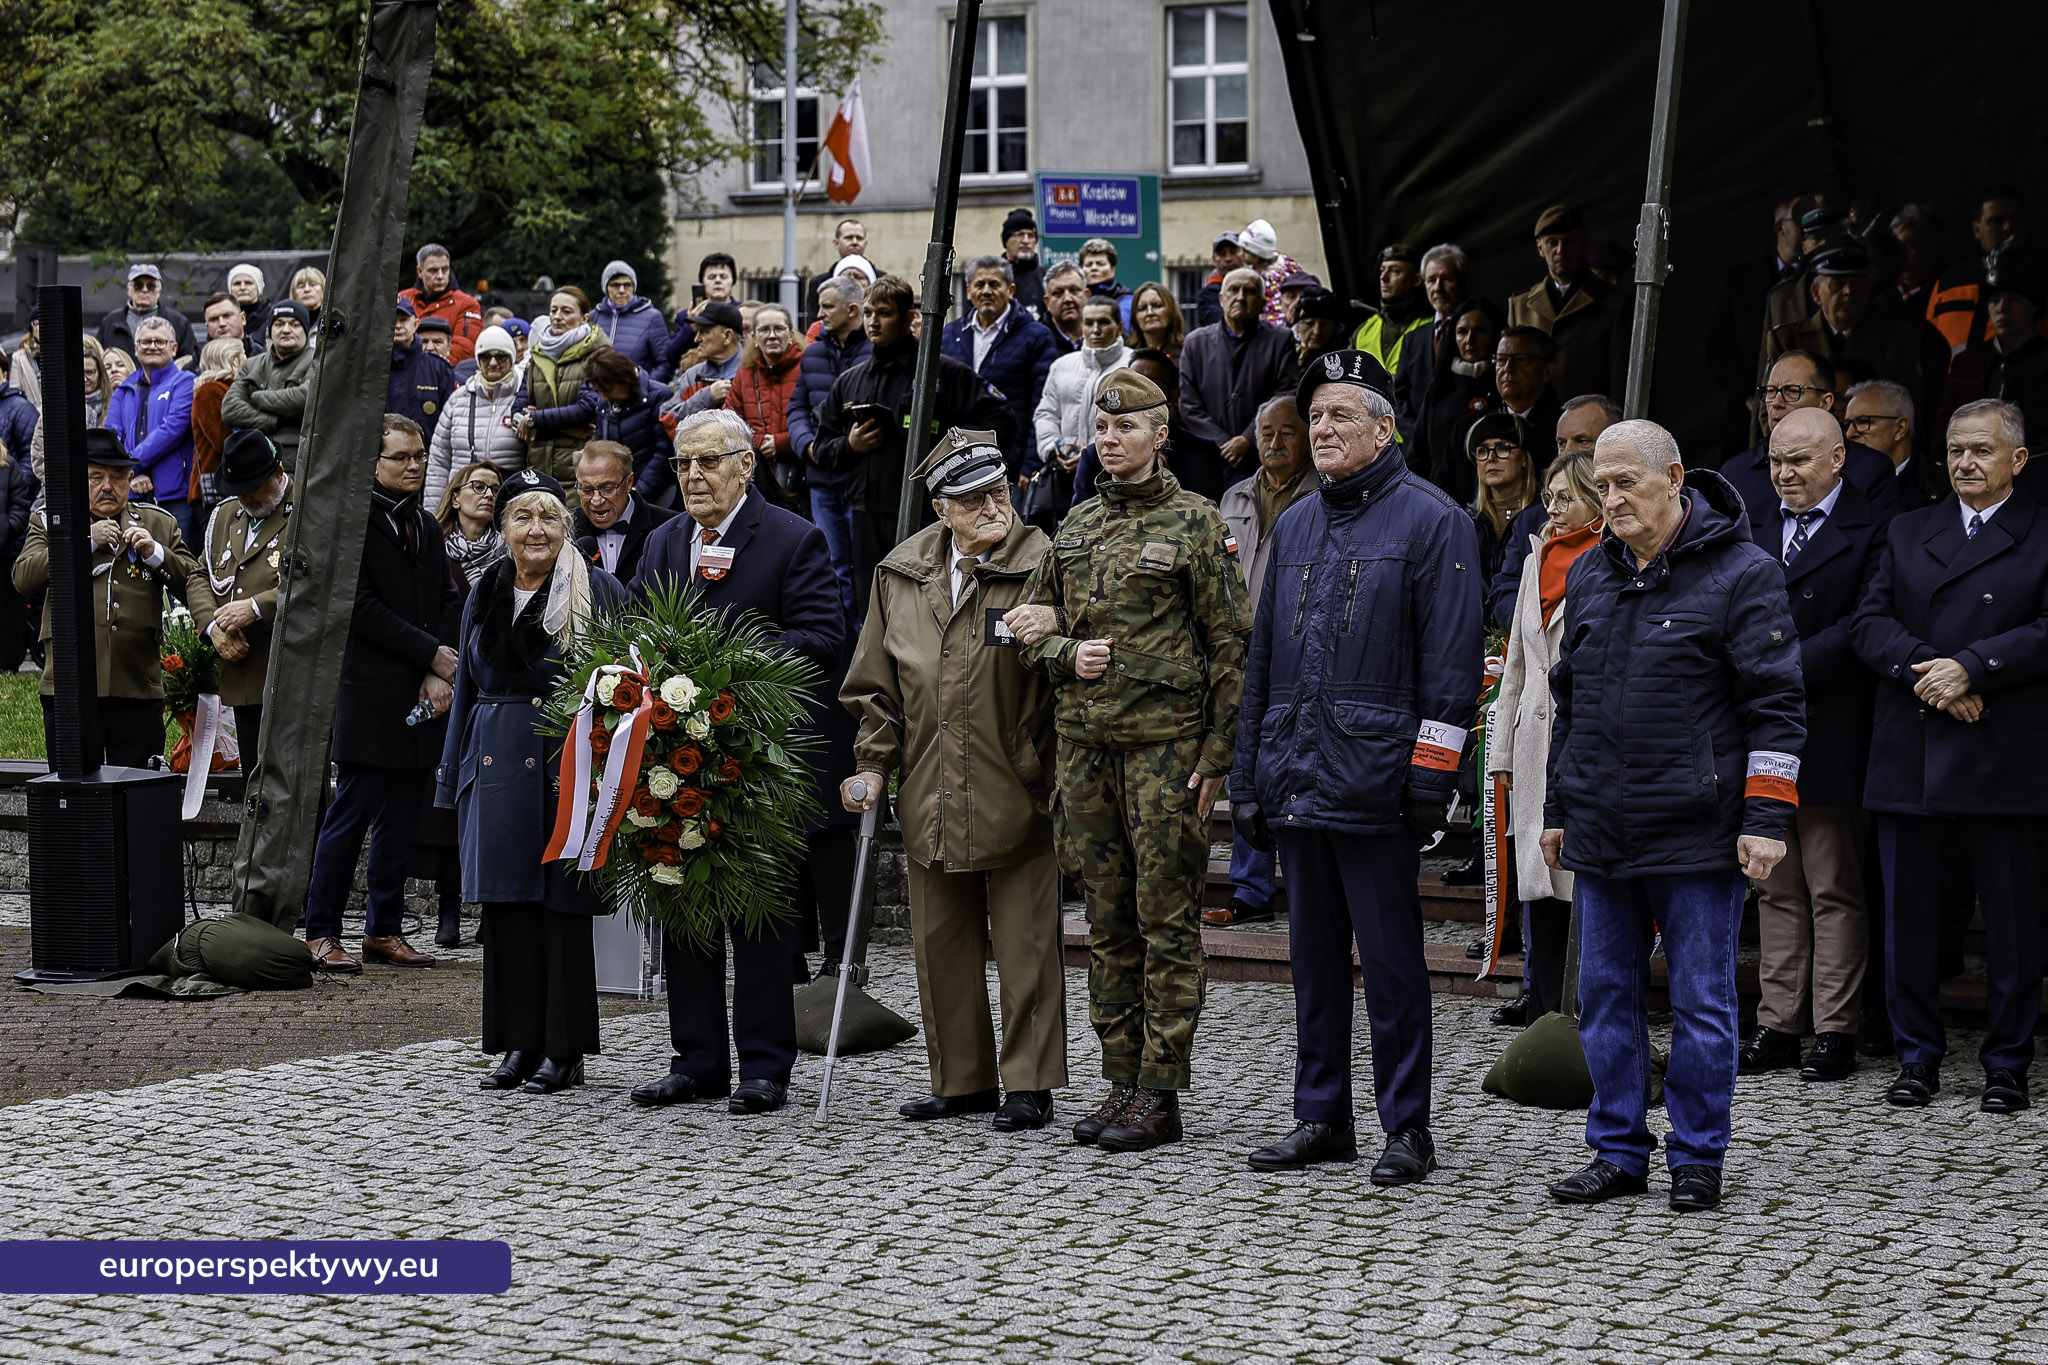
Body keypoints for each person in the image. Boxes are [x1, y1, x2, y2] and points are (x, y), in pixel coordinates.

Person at [1229, 348, 1480, 1184]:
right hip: (1298, 773)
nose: (1323, 428)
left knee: (1394, 965)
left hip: (1378, 781)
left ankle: (1407, 1125)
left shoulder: (1434, 520)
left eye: (1341, 413)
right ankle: (1321, 1114)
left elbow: (1451, 670)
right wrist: (1247, 775)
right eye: (1316, 416)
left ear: (1385, 427)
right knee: (1313, 962)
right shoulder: (1296, 522)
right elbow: (1262, 662)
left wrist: (1430, 779)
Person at [1542, 420, 1803, 1213]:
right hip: (1601, 826)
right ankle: (1618, 1149)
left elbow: (1777, 706)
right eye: (1602, 485)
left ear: (1675, 478)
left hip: (1698, 829)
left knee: (1702, 1004)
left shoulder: (1744, 573)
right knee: (1604, 999)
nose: (1612, 498)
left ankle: (1698, 1154)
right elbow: (1569, 703)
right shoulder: (1591, 573)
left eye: (1627, 482)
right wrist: (1557, 805)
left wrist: (1767, 818)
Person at [1013, 368, 1250, 1153]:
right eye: (1102, 428)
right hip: (1085, 753)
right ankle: (1121, 1078)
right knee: (1107, 922)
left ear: (1159, 435)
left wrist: (1218, 750)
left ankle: (1161, 1088)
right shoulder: (1075, 522)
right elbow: (1026, 630)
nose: (1110, 440)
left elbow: (1230, 643)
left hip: (1165, 752)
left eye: (1126, 427)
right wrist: (1063, 652)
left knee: (1165, 921)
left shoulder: (1196, 521)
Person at [840, 430, 1066, 1129]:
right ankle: (961, 1078)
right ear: (941, 508)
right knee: (940, 941)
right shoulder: (900, 573)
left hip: (1019, 781)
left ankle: (1029, 1081)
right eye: (973, 500)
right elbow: (876, 684)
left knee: (1027, 943)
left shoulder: (1047, 564)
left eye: (999, 492)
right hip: (930, 783)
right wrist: (873, 764)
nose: (993, 507)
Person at [627, 410, 845, 1115]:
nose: (693, 475)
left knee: (758, 919)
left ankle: (764, 1065)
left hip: (757, 758)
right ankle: (696, 1061)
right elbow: (636, 632)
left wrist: (727, 669)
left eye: (709, 461)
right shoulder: (663, 539)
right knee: (683, 907)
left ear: (746, 465)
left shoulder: (793, 537)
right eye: (683, 463)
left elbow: (823, 637)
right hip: (677, 755)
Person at [1851, 398, 2047, 1115]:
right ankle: (1917, 1056)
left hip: (2006, 752)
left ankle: (2007, 1062)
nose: (1965, 462)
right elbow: (1868, 621)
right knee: (1908, 919)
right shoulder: (1908, 529)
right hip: (1914, 749)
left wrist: (1975, 667)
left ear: (2017, 460)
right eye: (1956, 448)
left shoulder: (2043, 533)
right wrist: (1933, 675)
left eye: (1982, 450)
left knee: (2013, 925)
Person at [436, 467, 624, 1094]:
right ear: (503, 527)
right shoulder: (485, 588)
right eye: (523, 517)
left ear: (566, 526)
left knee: (560, 908)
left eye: (548, 517)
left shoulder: (597, 589)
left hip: (564, 763)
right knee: (507, 907)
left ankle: (563, 1048)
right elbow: (467, 687)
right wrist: (451, 775)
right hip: (494, 762)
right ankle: (518, 1040)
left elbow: (626, 685)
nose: (536, 529)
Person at [1730, 408, 1887, 1084]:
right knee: (1774, 885)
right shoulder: (1751, 525)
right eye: (1776, 461)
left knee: (1833, 885)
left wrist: (1777, 666)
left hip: (1831, 728)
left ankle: (1834, 1030)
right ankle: (1777, 1024)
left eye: (1798, 461)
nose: (1784, 474)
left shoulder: (1872, 527)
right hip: (1759, 729)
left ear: (1837, 459)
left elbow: (1864, 623)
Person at [301, 415, 461, 974]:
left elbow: (447, 598)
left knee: (401, 820)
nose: (414, 465)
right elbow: (359, 607)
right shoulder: (351, 524)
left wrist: (440, 671)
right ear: (372, 463)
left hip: (422, 695)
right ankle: (321, 931)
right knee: (350, 817)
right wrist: (429, 654)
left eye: (419, 455)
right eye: (401, 457)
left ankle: (383, 929)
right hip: (370, 695)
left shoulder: (426, 524)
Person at [810, 274, 1016, 622]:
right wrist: (850, 445)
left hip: (928, 513)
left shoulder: (942, 373)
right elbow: (822, 449)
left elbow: (1002, 422)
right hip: (866, 513)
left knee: (926, 609)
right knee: (873, 609)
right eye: (869, 313)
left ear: (908, 317)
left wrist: (957, 468)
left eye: (884, 313)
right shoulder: (851, 380)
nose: (874, 322)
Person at [13, 429, 213, 768]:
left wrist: (156, 554)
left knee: (136, 789)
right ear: (79, 480)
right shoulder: (51, 522)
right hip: (70, 685)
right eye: (96, 477)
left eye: (118, 478)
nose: (108, 486)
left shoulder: (158, 523)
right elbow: (24, 577)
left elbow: (193, 580)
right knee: (73, 786)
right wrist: (83, 543)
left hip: (135, 684)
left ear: (131, 479)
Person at [1486, 451, 1602, 1023]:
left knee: (1580, 876)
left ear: (1596, 501)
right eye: (1549, 498)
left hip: (1586, 736)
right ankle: (1542, 998)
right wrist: (1501, 752)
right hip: (1533, 738)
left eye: (1565, 499)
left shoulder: (1610, 558)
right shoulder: (1537, 559)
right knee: (1539, 874)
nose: (1552, 509)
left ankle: (1584, 1004)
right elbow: (1516, 663)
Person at [1207, 394, 1313, 930]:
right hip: (1236, 652)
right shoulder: (1234, 497)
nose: (1274, 442)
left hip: (1297, 650)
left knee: (1290, 764)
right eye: (1266, 432)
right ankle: (1251, 890)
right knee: (1242, 765)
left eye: (1287, 432)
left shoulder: (1324, 495)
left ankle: (1306, 887)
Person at [1720, 351, 1900, 540]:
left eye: (1792, 391)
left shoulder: (1871, 470)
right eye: (1771, 391)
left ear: (1825, 402)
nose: (1776, 403)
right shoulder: (1735, 473)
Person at [200, 430, 292, 765]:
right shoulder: (226, 514)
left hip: (290, 676)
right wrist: (213, 627)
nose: (246, 499)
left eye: (255, 489)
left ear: (279, 474)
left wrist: (257, 607)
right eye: (239, 492)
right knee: (253, 783)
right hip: (243, 674)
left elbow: (322, 581)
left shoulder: (308, 510)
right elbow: (200, 575)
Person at [787, 276, 870, 616]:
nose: (819, 314)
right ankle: (840, 638)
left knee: (865, 566)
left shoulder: (874, 352)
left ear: (852, 309)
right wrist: (807, 445)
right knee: (833, 566)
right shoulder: (814, 354)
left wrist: (851, 445)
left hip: (861, 480)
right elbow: (797, 408)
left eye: (827, 307)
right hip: (821, 479)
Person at [1178, 268, 1297, 491]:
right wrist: (1223, 443)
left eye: (1249, 291)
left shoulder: (1280, 340)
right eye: (1234, 290)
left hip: (1261, 457)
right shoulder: (1196, 343)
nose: (1240, 297)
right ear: (1221, 299)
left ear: (1262, 303)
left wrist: (1248, 439)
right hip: (1209, 459)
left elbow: (1285, 394)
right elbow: (1189, 405)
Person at [1761, 245, 1923, 401]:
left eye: (1857, 284)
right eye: (1838, 284)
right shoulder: (1786, 341)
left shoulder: (1897, 340)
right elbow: (1768, 408)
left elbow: (1908, 406)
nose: (1848, 292)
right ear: (1816, 293)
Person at [941, 256, 1058, 472]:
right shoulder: (949, 335)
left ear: (1011, 290)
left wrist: (1030, 466)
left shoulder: (1036, 336)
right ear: (968, 292)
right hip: (956, 461)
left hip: (1010, 461)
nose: (986, 291)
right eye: (980, 284)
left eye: (994, 284)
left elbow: (1041, 405)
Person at [1508, 205, 1630, 402]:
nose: (1560, 251)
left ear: (1584, 243)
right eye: (1552, 242)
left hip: (1590, 418)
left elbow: (1621, 383)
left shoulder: (1615, 304)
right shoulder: (1519, 306)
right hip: (1535, 417)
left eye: (1569, 242)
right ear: (1540, 248)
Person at [1939, 255, 2048, 474]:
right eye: (1994, 300)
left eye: (2013, 300)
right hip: (1968, 468)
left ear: (2033, 306)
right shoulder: (1968, 361)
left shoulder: (2043, 361)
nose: (2002, 308)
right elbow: (1944, 422)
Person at [1032, 297, 1133, 506]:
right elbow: (1046, 413)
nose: (1096, 330)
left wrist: (1091, 455)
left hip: (1116, 477)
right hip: (1063, 474)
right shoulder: (1061, 365)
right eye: (1089, 323)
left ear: (1119, 326)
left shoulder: (1134, 365)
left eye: (1103, 322)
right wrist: (1054, 448)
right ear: (1081, 327)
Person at [105, 317, 197, 541]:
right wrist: (132, 475)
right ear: (135, 348)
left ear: (174, 348)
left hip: (175, 496)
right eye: (146, 342)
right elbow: (112, 437)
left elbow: (172, 430)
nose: (152, 346)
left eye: (160, 341)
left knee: (179, 559)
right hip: (132, 495)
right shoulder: (123, 390)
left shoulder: (186, 382)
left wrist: (132, 467)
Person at [424, 325, 527, 509]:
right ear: (478, 360)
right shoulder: (458, 399)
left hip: (510, 506)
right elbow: (438, 462)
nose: (493, 362)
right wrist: (433, 514)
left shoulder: (524, 398)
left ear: (512, 359)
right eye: (486, 356)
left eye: (501, 356)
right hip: (462, 508)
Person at [1411, 297, 1503, 501]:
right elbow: (1418, 455)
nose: (1470, 340)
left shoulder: (1504, 388)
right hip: (1438, 500)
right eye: (1462, 332)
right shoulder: (1439, 389)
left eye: (1480, 331)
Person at [721, 303, 809, 513]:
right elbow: (728, 423)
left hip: (802, 477)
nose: (772, 335)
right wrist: (759, 442)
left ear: (791, 334)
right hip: (759, 480)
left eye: (779, 328)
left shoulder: (807, 368)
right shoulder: (744, 375)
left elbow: (817, 420)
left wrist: (782, 443)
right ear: (754, 337)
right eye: (764, 330)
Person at [515, 287, 605, 487]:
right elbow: (518, 412)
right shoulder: (537, 355)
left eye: (566, 311)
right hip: (538, 469)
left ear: (584, 318)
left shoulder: (597, 355)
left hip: (579, 470)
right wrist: (566, 428)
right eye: (553, 310)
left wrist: (536, 419)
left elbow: (586, 409)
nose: (557, 317)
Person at [221, 301, 317, 472]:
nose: (286, 330)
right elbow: (230, 409)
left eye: (294, 324)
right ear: (270, 330)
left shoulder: (318, 362)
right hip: (254, 463)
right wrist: (274, 421)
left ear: (306, 330)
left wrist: (256, 397)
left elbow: (306, 398)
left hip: (298, 464)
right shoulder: (252, 365)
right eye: (279, 324)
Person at [1391, 244, 1472, 446]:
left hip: (1466, 445)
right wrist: (1417, 436)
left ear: (1464, 282)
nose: (1438, 288)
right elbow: (1398, 397)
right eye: (1431, 280)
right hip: (1419, 450)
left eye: (1447, 279)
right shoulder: (1413, 339)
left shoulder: (1479, 331)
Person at [570, 439, 676, 585]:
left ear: (629, 483)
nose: (596, 500)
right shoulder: (565, 529)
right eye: (586, 489)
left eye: (607, 489)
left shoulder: (670, 527)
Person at [1845, 378, 1947, 507]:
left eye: (1864, 421)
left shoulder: (1941, 486)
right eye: (1847, 424)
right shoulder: (1837, 482)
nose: (1849, 433)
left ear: (1900, 428)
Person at [655, 252, 741, 383]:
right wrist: (690, 325)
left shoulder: (743, 312)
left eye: (723, 276)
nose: (718, 281)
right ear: (702, 283)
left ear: (733, 283)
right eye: (712, 277)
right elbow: (670, 356)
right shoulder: (685, 316)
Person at [388, 299, 458, 449]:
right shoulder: (370, 366)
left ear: (416, 325)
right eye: (392, 319)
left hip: (427, 456)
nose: (398, 325)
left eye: (403, 320)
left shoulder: (439, 369)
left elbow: (452, 423)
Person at [1352, 244, 1430, 378]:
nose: (1383, 277)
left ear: (1416, 280)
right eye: (1382, 270)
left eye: (1394, 271)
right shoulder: (1364, 330)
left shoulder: (1432, 326)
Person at [399, 243, 485, 364]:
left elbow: (465, 348)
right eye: (433, 271)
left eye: (445, 270)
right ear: (420, 271)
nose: (440, 276)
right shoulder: (402, 299)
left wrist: (429, 367)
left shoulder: (467, 304)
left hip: (447, 371)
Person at [185, 338, 244, 515]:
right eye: (243, 354)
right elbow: (221, 440)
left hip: (228, 483)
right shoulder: (210, 391)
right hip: (215, 487)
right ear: (233, 359)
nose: (247, 359)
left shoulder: (228, 390)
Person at [663, 300, 746, 423]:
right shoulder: (692, 375)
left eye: (704, 332)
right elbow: (668, 420)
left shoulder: (756, 371)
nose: (696, 339)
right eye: (697, 332)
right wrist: (707, 397)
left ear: (728, 336)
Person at [96, 262, 197, 363]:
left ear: (159, 292)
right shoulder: (109, 322)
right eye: (138, 286)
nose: (144, 290)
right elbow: (98, 359)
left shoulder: (179, 323)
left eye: (151, 286)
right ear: (129, 291)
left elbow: (191, 359)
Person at [434, 459, 506, 591]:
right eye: (478, 487)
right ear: (455, 499)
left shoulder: (509, 549)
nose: (489, 495)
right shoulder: (433, 545)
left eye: (496, 490)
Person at [591, 259, 670, 376]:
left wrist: (647, 384)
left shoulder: (652, 317)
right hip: (598, 386)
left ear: (634, 287)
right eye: (616, 285)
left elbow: (665, 363)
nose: (622, 290)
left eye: (627, 285)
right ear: (606, 288)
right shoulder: (594, 316)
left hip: (635, 386)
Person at [1235, 219, 1304, 328]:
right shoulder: (1285, 264)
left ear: (1258, 254)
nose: (1241, 254)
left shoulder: (1272, 279)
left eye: (1245, 251)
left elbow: (1277, 316)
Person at [806, 218, 870, 323]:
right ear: (836, 243)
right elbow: (815, 321)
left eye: (859, 238)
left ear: (865, 243)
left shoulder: (881, 278)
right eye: (849, 238)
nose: (855, 242)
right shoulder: (818, 283)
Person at [1195, 231, 1245, 330]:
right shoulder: (1209, 294)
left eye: (1233, 252)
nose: (1228, 258)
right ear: (1214, 259)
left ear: (1244, 255)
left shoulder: (1261, 283)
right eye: (1222, 254)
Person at [1000, 209, 1044, 319]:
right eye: (1020, 234)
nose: (1026, 241)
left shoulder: (1045, 278)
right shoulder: (994, 277)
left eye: (1031, 235)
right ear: (1006, 241)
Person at [1127, 281, 1186, 362]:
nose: (1150, 313)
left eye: (1157, 305)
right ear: (1135, 317)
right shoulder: (1127, 356)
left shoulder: (1187, 352)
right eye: (1142, 308)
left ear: (1171, 311)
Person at [1040, 262, 1087, 355]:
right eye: (1058, 293)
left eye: (1074, 290)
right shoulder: (1035, 341)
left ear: (1087, 295)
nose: (1067, 299)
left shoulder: (1105, 334)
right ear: (1047, 302)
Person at [201, 292, 260, 359]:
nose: (222, 323)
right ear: (207, 326)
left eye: (227, 316)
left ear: (243, 318)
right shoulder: (198, 361)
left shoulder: (263, 359)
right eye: (214, 319)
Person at [225, 263, 268, 337]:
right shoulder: (222, 318)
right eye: (237, 283)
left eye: (248, 283)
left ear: (258, 287)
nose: (242, 288)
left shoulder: (271, 316)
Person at [288, 266, 326, 337]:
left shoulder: (333, 319)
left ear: (323, 289)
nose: (307, 289)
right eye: (301, 286)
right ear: (294, 293)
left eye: (313, 285)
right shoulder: (286, 325)